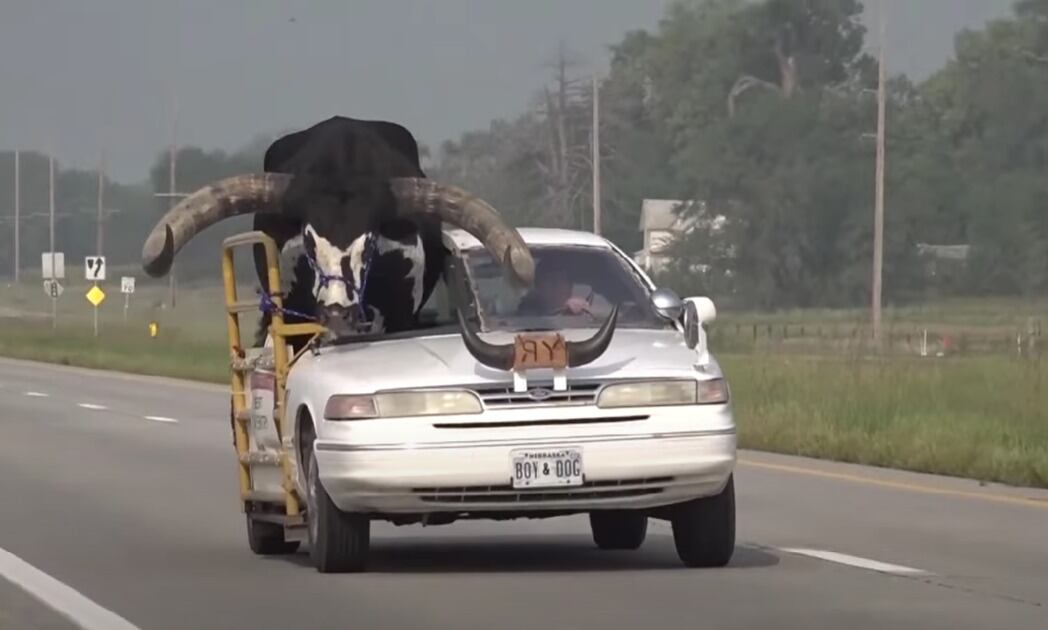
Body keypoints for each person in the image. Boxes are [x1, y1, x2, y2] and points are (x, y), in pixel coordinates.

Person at [516, 260, 590, 316]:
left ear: (570, 287)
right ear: (538, 286)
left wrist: (583, 311)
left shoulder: (582, 313)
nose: (556, 286)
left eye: (560, 280)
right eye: (549, 280)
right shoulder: (525, 314)